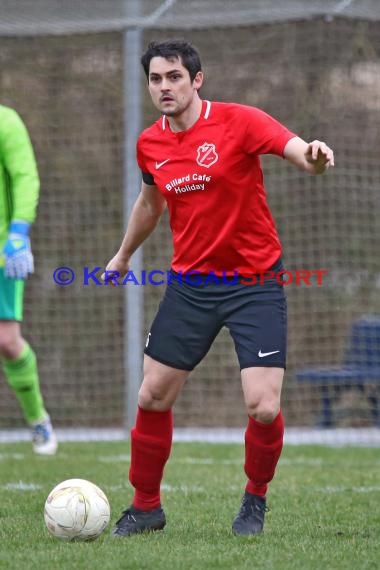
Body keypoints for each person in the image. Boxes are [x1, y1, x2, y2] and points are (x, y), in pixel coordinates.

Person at [104, 39, 334, 537]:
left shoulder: (240, 121)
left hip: (255, 281)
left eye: (174, 78)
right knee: (153, 396)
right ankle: (146, 508)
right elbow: (150, 205)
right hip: (191, 285)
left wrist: (314, 157)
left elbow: (297, 152)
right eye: (155, 79)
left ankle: (254, 500)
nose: (164, 87)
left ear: (197, 80)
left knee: (264, 405)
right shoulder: (150, 144)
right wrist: (123, 255)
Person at [0, 104, 57, 455]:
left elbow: (24, 176)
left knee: (7, 341)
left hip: (2, 251)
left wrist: (19, 231)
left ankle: (38, 420)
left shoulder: (6, 120)